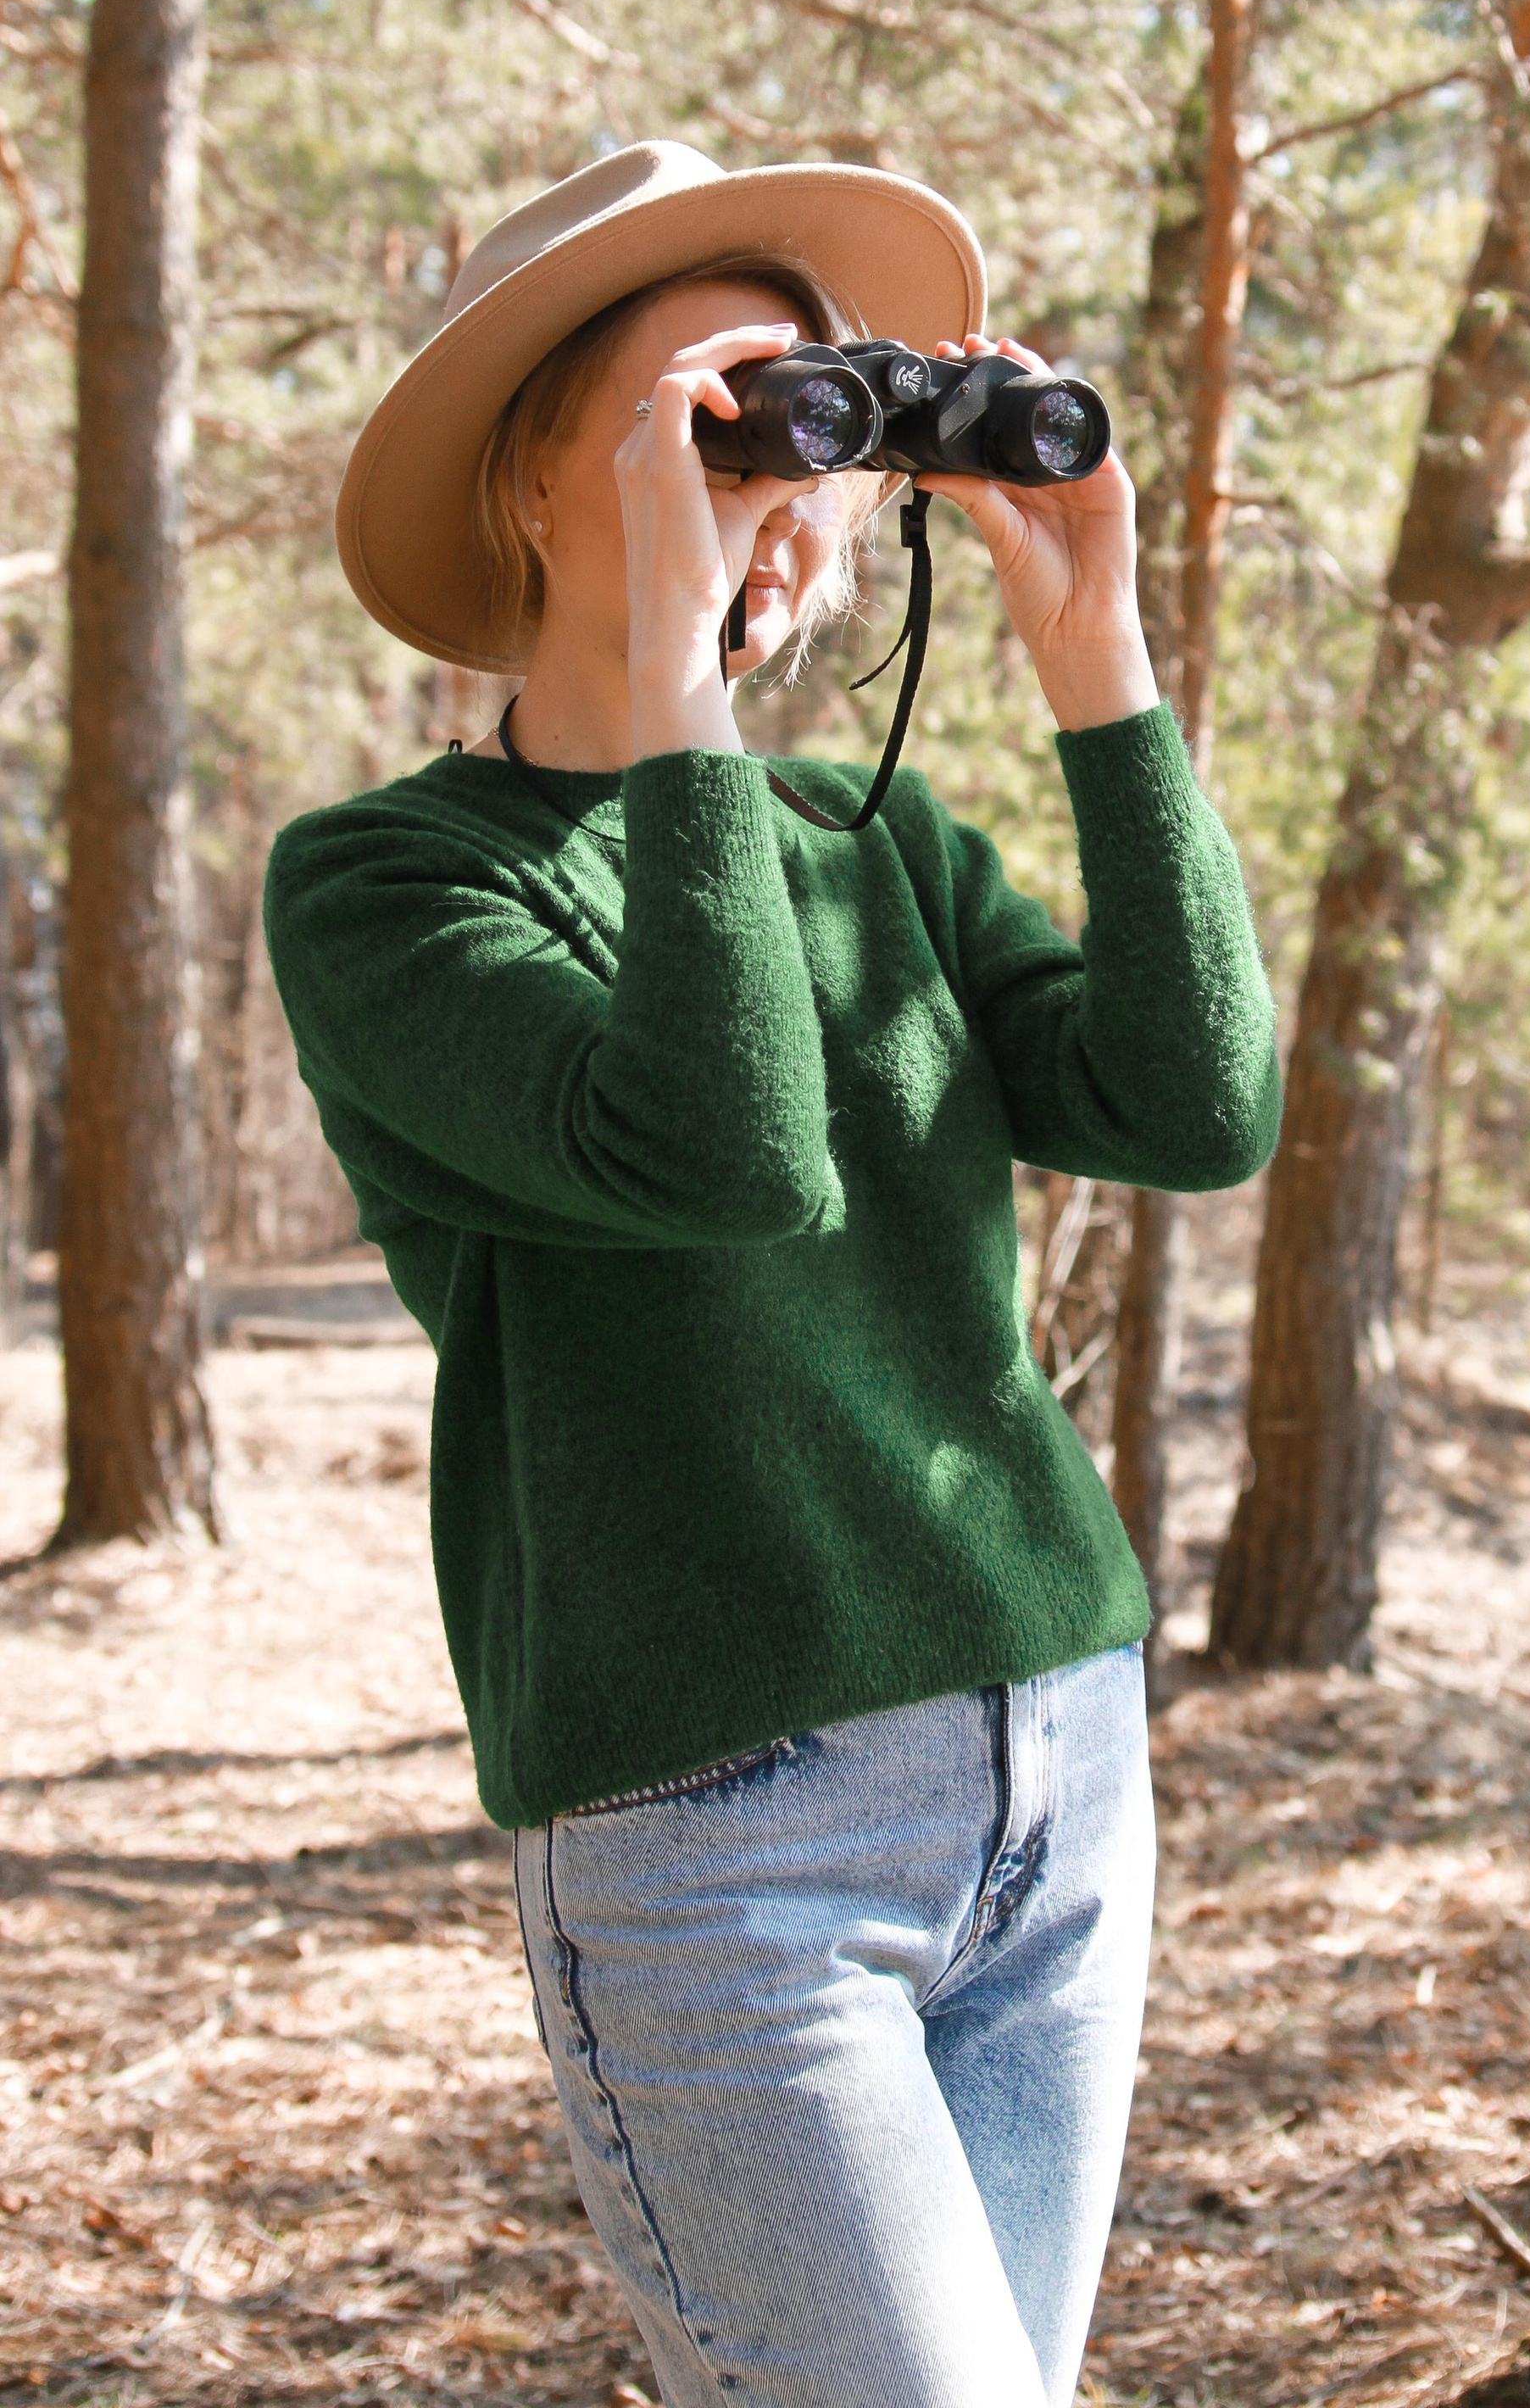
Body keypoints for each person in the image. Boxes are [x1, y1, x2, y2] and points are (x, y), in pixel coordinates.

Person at [260, 140, 1282, 2408]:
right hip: (726, 1846)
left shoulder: (876, 838)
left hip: (1059, 1759)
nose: (785, 488)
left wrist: (1098, 659)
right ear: (540, 481)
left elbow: (1196, 1105)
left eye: (822, 429)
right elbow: (720, 1155)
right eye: (719, 420)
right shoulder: (390, 885)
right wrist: (677, 693)